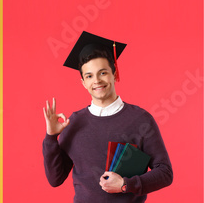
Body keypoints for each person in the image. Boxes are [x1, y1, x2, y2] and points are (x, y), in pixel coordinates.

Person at [42, 31, 173, 201]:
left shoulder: (141, 120)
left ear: (115, 73)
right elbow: (55, 179)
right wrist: (51, 137)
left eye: (103, 73)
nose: (96, 80)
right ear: (83, 82)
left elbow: (165, 173)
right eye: (89, 76)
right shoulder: (73, 122)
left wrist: (125, 184)